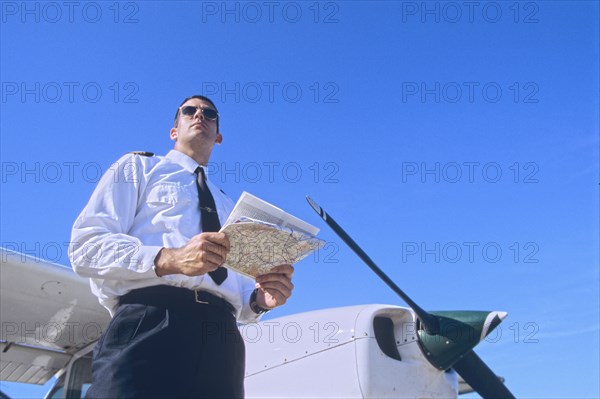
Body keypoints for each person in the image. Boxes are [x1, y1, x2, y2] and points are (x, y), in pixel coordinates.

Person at [69, 95, 294, 399]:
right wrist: (169, 258)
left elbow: (240, 295)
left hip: (222, 337)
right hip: (149, 320)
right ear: (173, 131)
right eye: (189, 111)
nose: (199, 115)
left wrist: (259, 300)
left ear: (219, 136)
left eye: (209, 113)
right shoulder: (138, 167)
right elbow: (87, 246)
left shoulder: (231, 207)